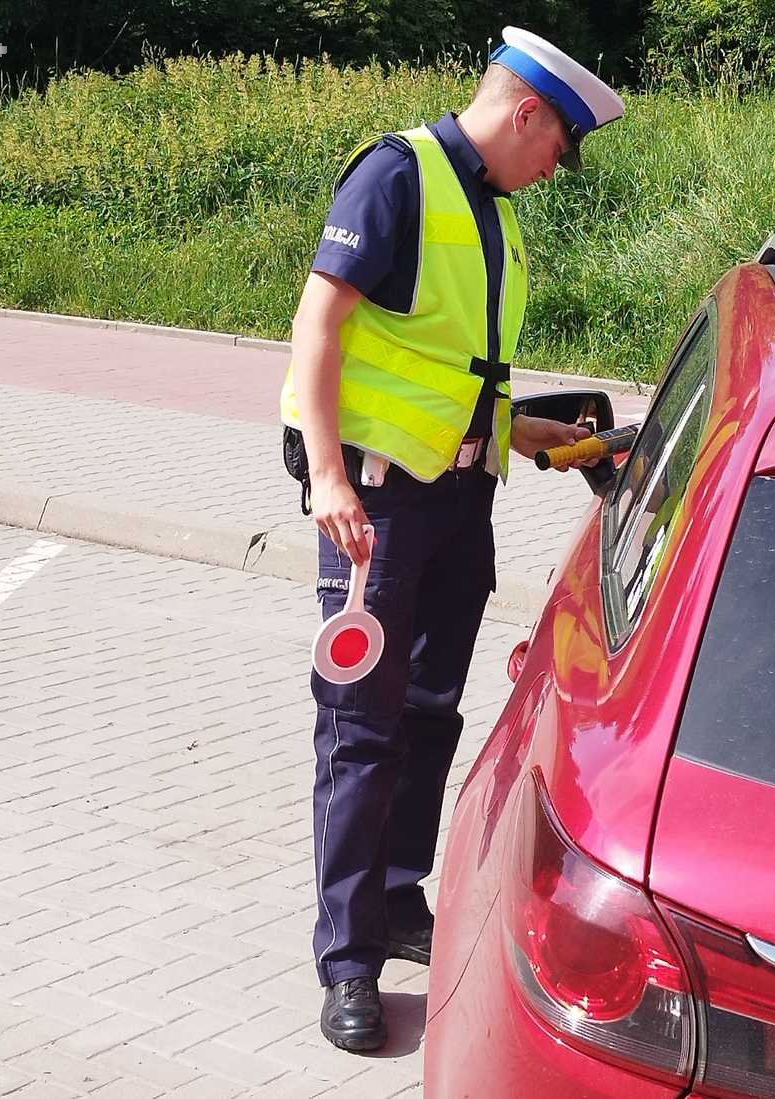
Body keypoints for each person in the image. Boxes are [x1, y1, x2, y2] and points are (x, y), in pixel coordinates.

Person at [279, 25, 625, 1053]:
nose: (555, 167)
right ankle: (346, 960)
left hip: (458, 505)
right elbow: (320, 325)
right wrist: (329, 477)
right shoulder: (396, 176)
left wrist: (524, 429)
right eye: (558, 145)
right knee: (361, 726)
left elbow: (448, 363)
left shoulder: (492, 211)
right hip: (375, 509)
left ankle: (394, 902)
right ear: (527, 113)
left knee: (429, 715)